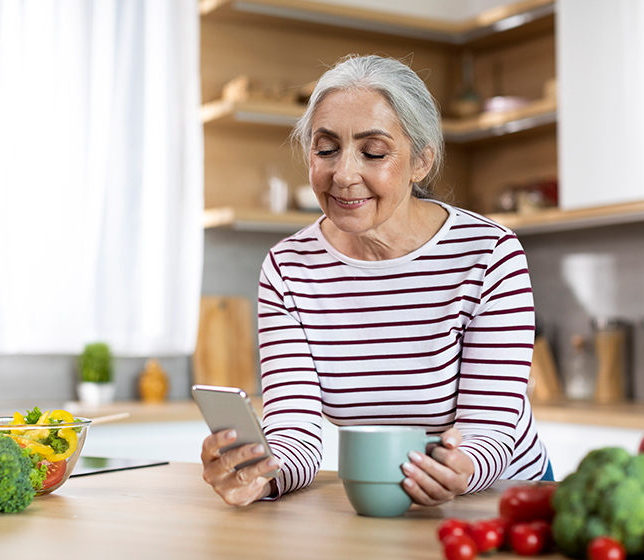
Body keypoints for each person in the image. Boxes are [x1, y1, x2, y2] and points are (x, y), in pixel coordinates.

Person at [201, 54, 550, 507]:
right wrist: (261, 472)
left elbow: (490, 430)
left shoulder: (488, 253)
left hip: (504, 496)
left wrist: (459, 468)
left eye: (374, 152)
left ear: (420, 161)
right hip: (377, 493)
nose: (344, 174)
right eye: (325, 149)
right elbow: (295, 433)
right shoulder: (290, 266)